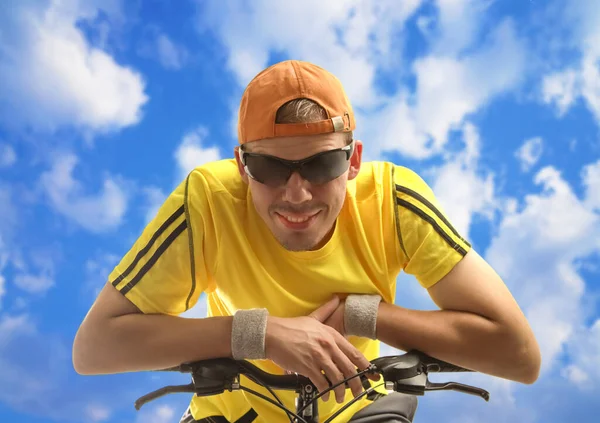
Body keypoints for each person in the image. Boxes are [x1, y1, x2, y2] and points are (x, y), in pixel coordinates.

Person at [72, 60, 541, 422]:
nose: (296, 195)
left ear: (353, 160)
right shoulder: (207, 202)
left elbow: (519, 356)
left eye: (321, 166)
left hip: (357, 410)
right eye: (270, 169)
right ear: (242, 165)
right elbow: (94, 348)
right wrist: (259, 334)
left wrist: (361, 315)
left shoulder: (394, 202)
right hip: (232, 413)